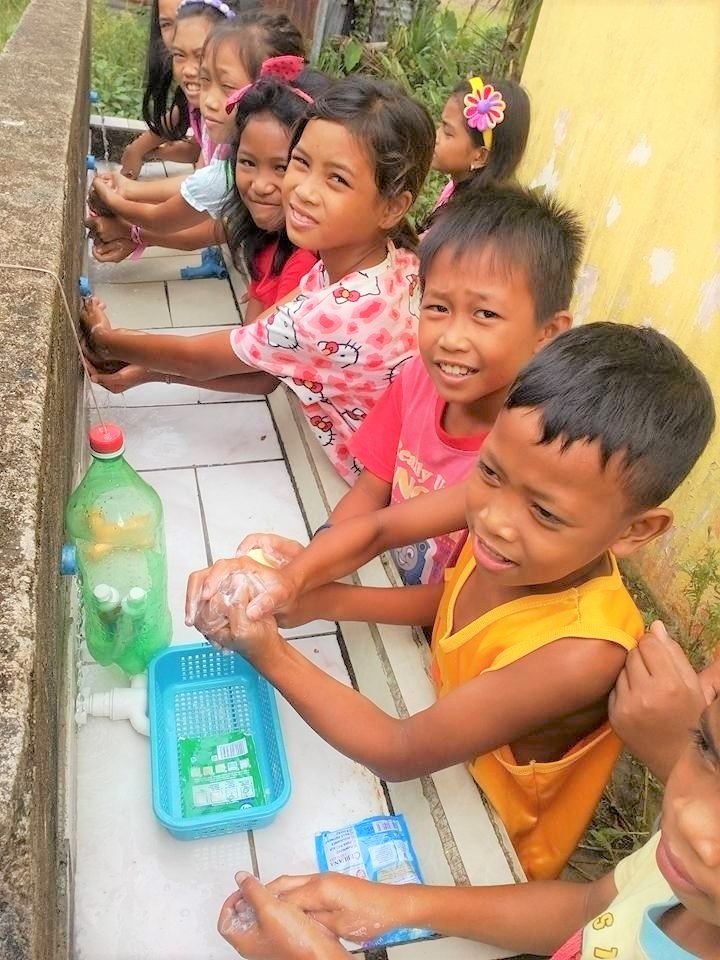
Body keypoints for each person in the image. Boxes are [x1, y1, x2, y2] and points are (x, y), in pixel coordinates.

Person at [189, 322, 715, 880]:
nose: (493, 518)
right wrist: (295, 585)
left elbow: (399, 750)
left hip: (488, 846)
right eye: (489, 470)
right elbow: (385, 537)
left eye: (545, 513)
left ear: (636, 531)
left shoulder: (582, 652)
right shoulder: (514, 503)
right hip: (435, 727)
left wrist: (268, 652)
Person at [81, 76, 436, 481]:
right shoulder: (393, 260)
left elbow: (203, 358)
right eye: (301, 163)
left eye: (336, 178)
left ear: (392, 207)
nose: (302, 191)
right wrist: (145, 367)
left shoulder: (336, 312)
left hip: (383, 489)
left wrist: (105, 339)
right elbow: (261, 353)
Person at [218, 695, 720, 960]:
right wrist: (397, 903)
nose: (691, 820)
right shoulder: (684, 872)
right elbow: (593, 908)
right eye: (708, 749)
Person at [323, 184, 581, 584]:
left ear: (547, 332)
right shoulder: (417, 380)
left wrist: (322, 595)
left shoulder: (534, 452)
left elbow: (457, 599)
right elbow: (370, 491)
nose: (451, 339)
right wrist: (312, 559)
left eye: (485, 314)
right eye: (438, 307)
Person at [88, 70, 328, 393]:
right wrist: (148, 371)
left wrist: (108, 341)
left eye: (281, 167)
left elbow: (252, 369)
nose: (259, 186)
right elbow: (254, 362)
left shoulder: (308, 263)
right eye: (247, 163)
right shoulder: (268, 239)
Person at [88, 14, 305, 250]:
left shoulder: (246, 162)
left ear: (272, 91)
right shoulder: (239, 149)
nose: (208, 100)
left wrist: (115, 198)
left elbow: (162, 219)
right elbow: (202, 189)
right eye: (206, 81)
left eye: (227, 87)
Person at [430, 75, 530, 210]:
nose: (436, 137)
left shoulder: (468, 220)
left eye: (447, 132)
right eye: (441, 125)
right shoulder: (452, 191)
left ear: (481, 156)